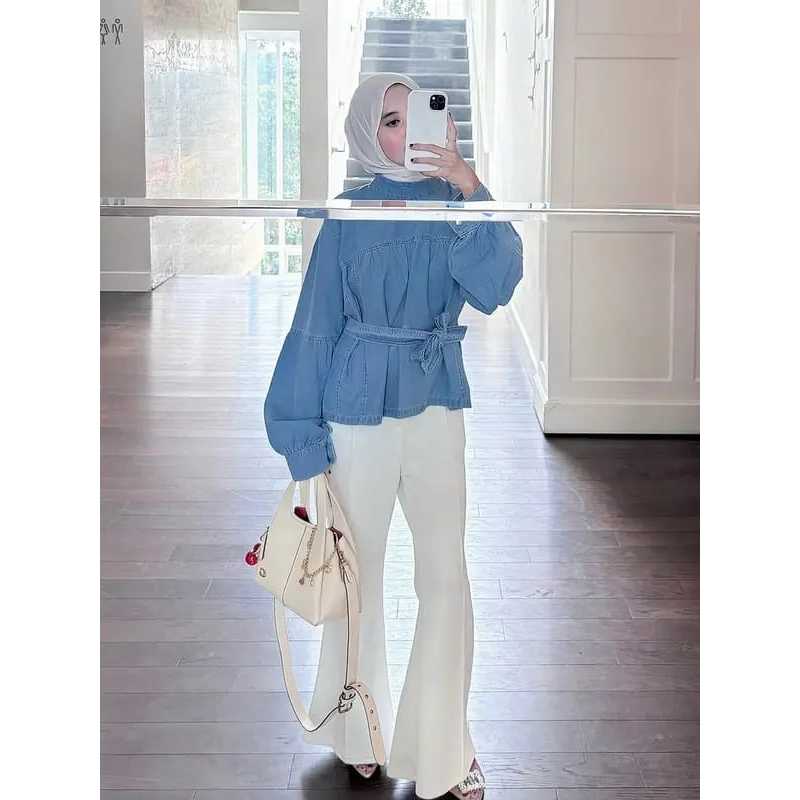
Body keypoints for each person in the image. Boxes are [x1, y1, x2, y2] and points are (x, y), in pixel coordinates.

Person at [264, 72, 523, 800]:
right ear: (364, 132)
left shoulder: (456, 204)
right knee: (358, 575)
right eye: (390, 120)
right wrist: (300, 435)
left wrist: (470, 187)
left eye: (418, 118)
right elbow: (315, 325)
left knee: (445, 575)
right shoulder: (347, 217)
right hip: (356, 406)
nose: (407, 133)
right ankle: (359, 730)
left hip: (436, 398)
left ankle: (446, 747)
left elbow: (498, 287)